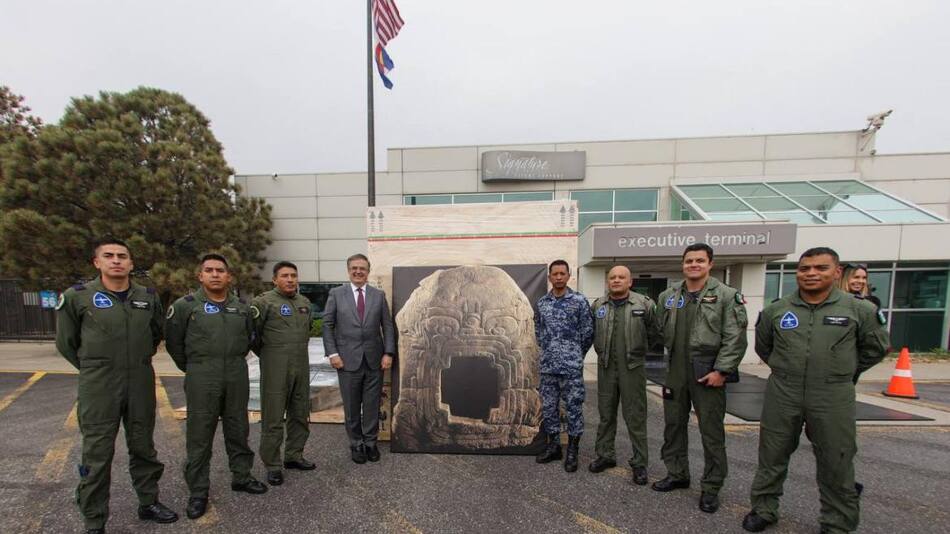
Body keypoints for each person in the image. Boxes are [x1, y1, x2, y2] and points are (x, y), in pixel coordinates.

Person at [742, 247, 890, 533]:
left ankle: (837, 522)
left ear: (836, 273)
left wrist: (842, 371)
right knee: (772, 455)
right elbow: (764, 347)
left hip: (832, 394)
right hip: (784, 390)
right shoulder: (777, 310)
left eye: (820, 268)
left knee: (837, 459)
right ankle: (764, 509)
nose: (811, 273)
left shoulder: (860, 310)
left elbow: (875, 348)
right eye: (804, 268)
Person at [55, 238, 178, 533]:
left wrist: (134, 361)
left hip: (139, 380)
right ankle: (95, 519)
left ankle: (148, 502)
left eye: (122, 256)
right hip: (99, 385)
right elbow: (67, 343)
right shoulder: (78, 297)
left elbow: (154, 335)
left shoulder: (147, 297)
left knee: (143, 446)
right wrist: (96, 366)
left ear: (131, 263)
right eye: (108, 256)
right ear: (97, 262)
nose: (116, 260)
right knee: (97, 453)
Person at [165, 254, 267, 520]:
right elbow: (174, 344)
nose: (214, 275)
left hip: (236, 372)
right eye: (208, 270)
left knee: (238, 428)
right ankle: (198, 491)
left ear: (229, 277)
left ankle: (241, 476)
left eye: (220, 270)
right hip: (202, 374)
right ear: (200, 276)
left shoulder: (242, 308)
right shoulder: (185, 306)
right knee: (200, 435)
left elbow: (249, 338)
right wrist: (195, 368)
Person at [653, 243, 748, 514]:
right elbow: (660, 330)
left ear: (710, 264)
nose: (693, 265)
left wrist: (723, 371)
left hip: (707, 372)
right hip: (675, 371)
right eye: (689, 261)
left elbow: (735, 337)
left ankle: (711, 487)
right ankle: (677, 473)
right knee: (673, 425)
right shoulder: (669, 297)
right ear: (682, 264)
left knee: (711, 432)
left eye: (699, 261)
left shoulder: (727, 296)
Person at [588, 264, 661, 486]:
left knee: (635, 417)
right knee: (606, 415)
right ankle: (605, 455)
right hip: (606, 367)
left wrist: (639, 353)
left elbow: (655, 333)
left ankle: (639, 464)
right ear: (608, 281)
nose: (616, 280)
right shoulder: (598, 306)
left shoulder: (644, 304)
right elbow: (590, 333)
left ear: (630, 282)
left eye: (621, 277)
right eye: (612, 277)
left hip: (633, 368)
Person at [322, 253, 396, 464]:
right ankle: (356, 444)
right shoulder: (336, 294)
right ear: (348, 270)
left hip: (375, 360)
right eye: (354, 268)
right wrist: (333, 354)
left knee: (372, 405)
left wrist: (388, 352)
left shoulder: (378, 295)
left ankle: (370, 443)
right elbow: (327, 325)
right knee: (352, 407)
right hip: (346, 361)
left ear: (368, 271)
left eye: (362, 268)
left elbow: (387, 326)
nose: (358, 271)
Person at [251, 261, 316, 486]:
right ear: (275, 280)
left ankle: (294, 456)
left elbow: (306, 332)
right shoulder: (263, 302)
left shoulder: (304, 302)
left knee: (299, 413)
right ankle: (272, 465)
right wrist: (271, 356)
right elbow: (253, 336)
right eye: (285, 276)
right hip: (275, 367)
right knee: (273, 417)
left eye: (294, 276)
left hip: (301, 365)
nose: (290, 280)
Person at [533, 260, 594, 472]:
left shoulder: (579, 301)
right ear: (549, 277)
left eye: (562, 273)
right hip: (548, 367)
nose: (558, 277)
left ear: (569, 276)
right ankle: (554, 447)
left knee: (573, 409)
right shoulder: (542, 303)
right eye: (555, 274)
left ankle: (573, 452)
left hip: (570, 368)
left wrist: (575, 354)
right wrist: (549, 350)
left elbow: (587, 333)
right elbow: (538, 331)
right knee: (549, 409)